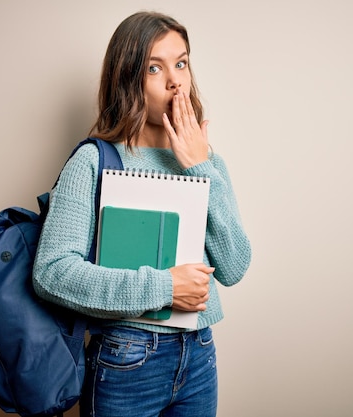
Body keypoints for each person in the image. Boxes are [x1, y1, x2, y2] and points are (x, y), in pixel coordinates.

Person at [33, 11, 251, 417]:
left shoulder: (206, 161)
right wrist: (165, 289)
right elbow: (52, 272)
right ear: (128, 78)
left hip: (199, 354)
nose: (175, 80)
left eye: (181, 63)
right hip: (126, 358)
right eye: (155, 67)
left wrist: (199, 166)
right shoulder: (94, 160)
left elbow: (234, 266)